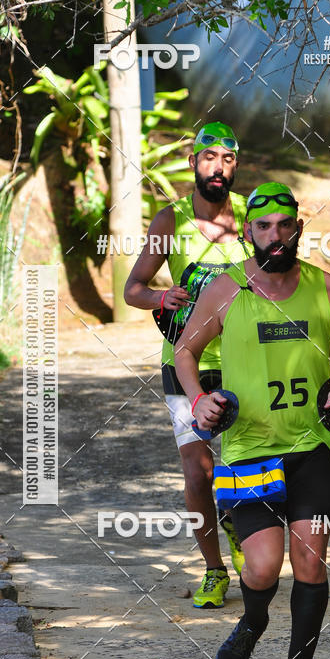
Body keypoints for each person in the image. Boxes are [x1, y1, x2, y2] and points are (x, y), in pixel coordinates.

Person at [174, 182, 330, 659]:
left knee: (310, 562)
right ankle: (253, 621)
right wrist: (197, 402)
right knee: (262, 568)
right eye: (263, 227)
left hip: (311, 445)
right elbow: (185, 351)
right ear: (248, 233)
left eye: (284, 225)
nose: (275, 236)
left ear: (298, 228)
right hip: (246, 451)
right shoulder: (226, 290)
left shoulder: (325, 288)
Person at [124, 122, 251, 609]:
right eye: (208, 157)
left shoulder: (250, 219)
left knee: (244, 463)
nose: (217, 167)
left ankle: (242, 527)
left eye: (227, 158)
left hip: (244, 360)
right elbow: (133, 289)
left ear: (234, 166)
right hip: (185, 361)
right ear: (193, 163)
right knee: (199, 471)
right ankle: (214, 571)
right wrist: (163, 295)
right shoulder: (169, 222)